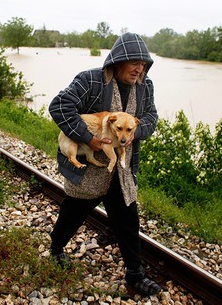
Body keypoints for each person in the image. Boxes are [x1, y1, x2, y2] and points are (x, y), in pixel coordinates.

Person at [48, 32, 162, 296]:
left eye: (143, 64)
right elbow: (60, 106)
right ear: (118, 61)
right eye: (134, 62)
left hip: (122, 169)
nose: (139, 68)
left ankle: (135, 274)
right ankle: (55, 248)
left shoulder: (145, 86)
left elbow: (151, 117)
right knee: (74, 211)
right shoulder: (90, 80)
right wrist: (89, 138)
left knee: (128, 219)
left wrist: (137, 132)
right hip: (90, 167)